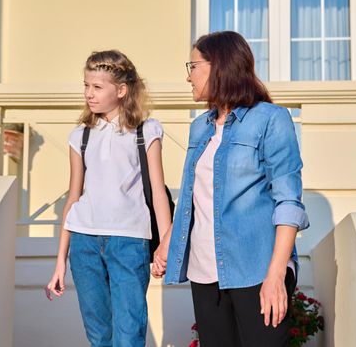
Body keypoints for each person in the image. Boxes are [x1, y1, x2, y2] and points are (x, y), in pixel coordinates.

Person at [152, 31, 309, 346]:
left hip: (256, 267)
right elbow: (192, 196)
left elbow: (289, 201)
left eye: (193, 66)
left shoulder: (271, 119)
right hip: (205, 270)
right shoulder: (200, 127)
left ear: (218, 67)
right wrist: (167, 242)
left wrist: (277, 275)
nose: (188, 76)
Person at [46, 50, 172, 347]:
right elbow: (73, 197)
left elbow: (157, 194)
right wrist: (60, 261)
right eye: (86, 85)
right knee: (99, 336)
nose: (89, 94)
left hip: (129, 242)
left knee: (128, 336)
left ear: (122, 90)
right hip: (84, 242)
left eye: (97, 87)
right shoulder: (80, 135)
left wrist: (165, 244)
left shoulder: (146, 131)